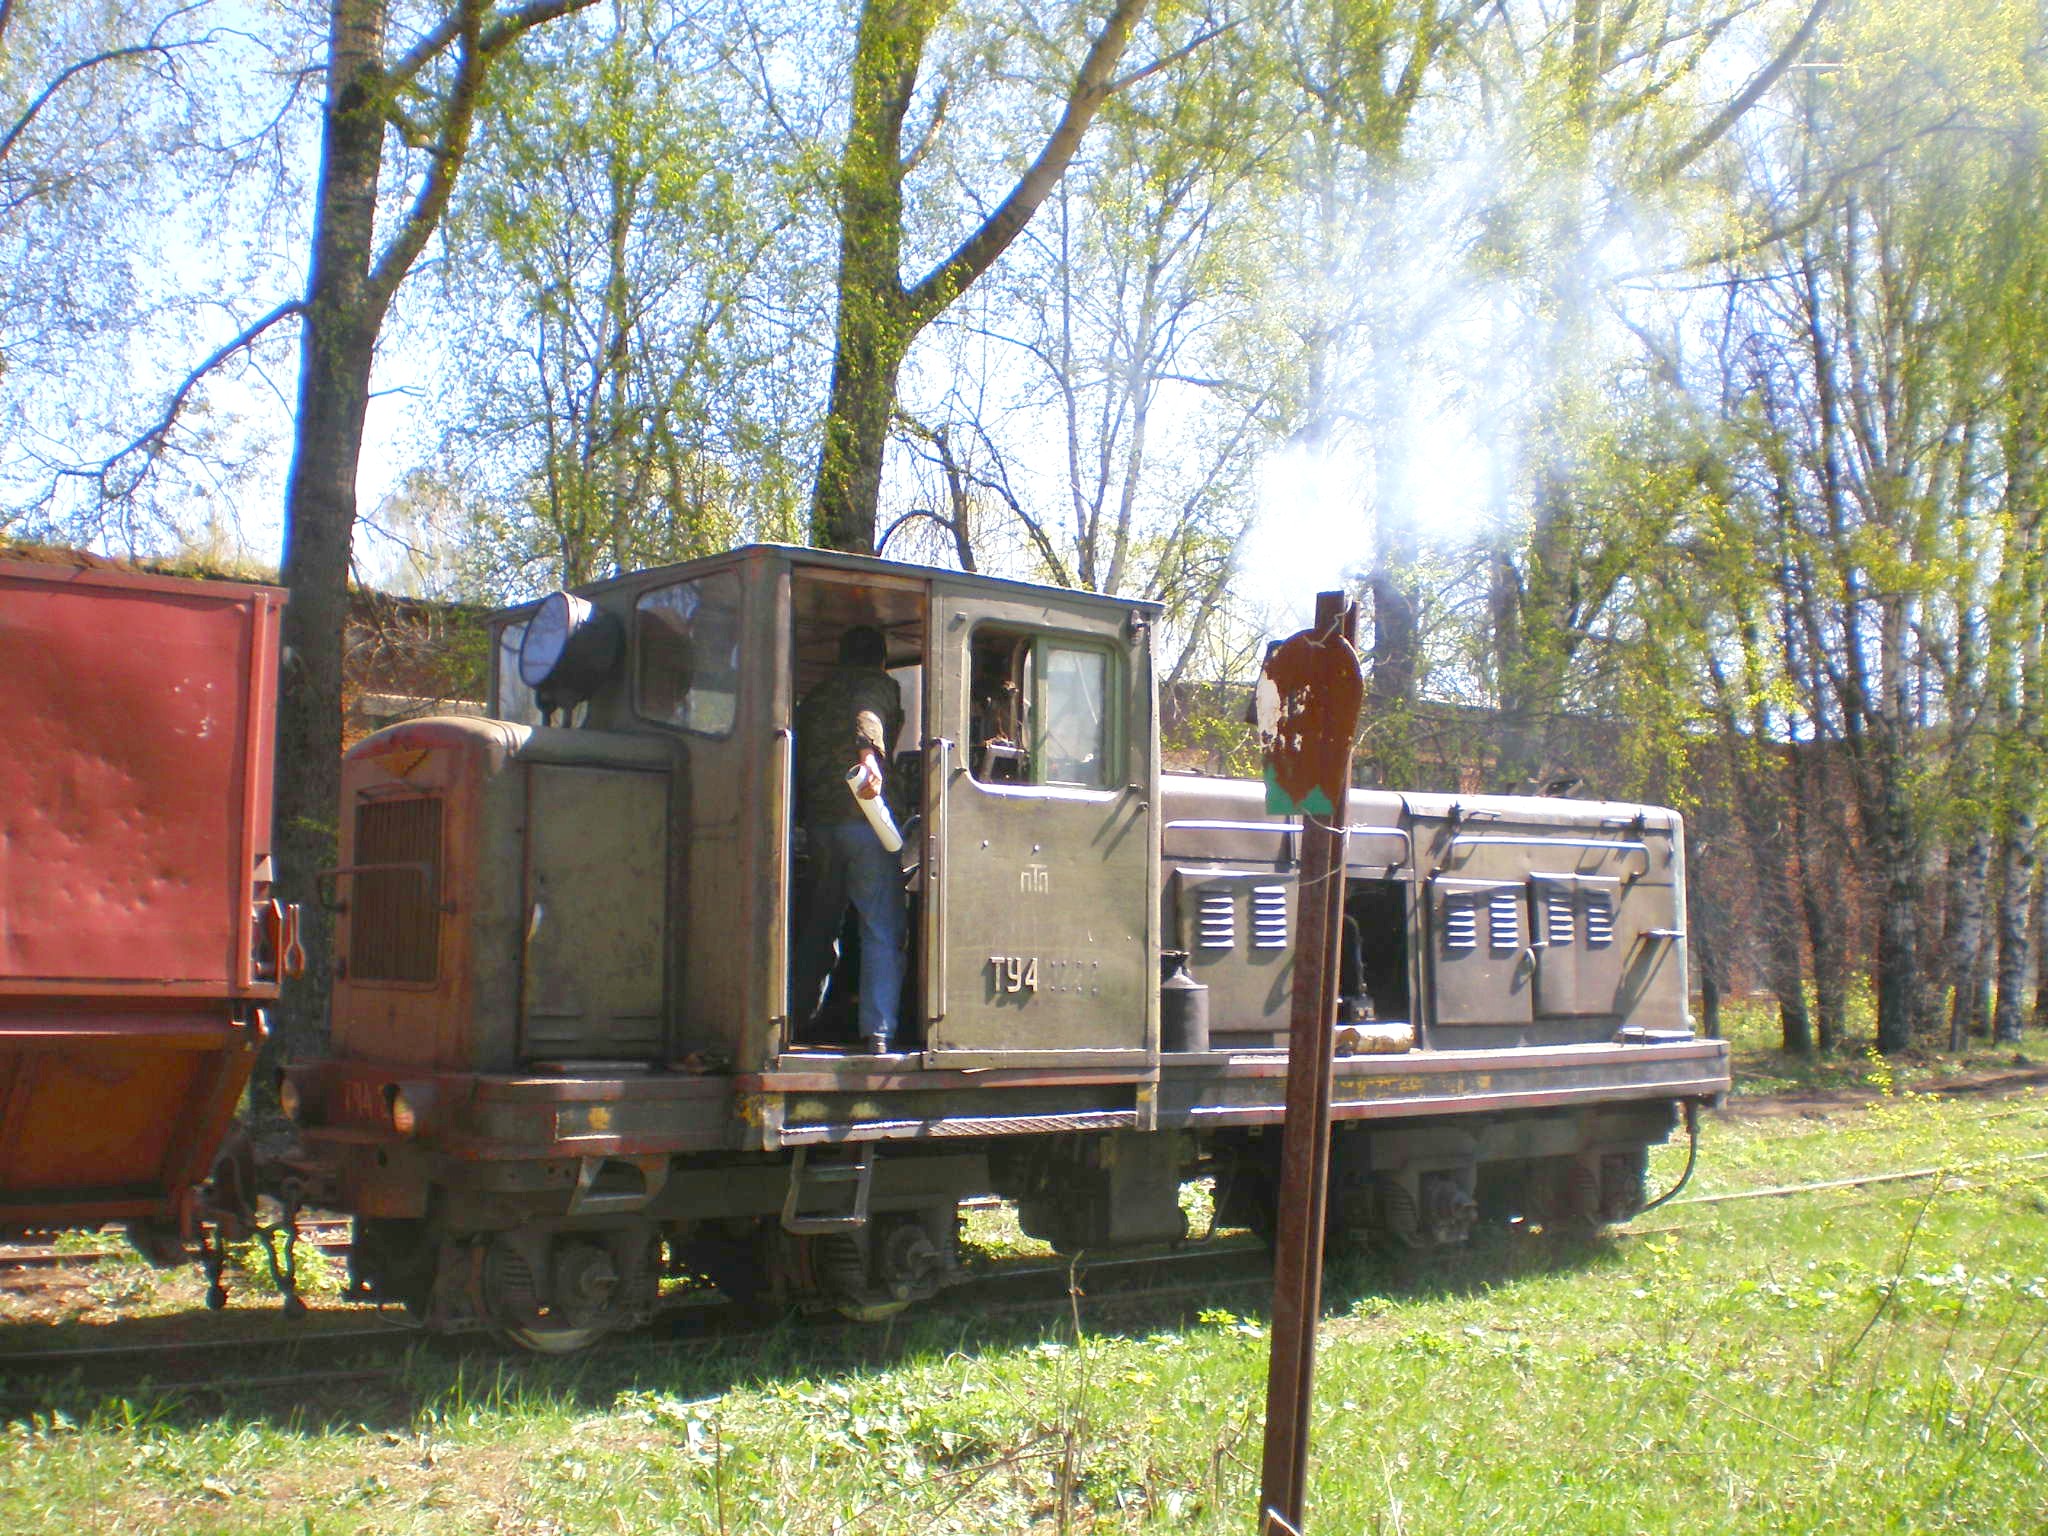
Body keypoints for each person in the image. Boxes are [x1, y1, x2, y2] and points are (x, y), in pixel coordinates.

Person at [792, 624, 906, 1054]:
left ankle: (797, 1021)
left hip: (820, 827)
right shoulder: (876, 685)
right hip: (865, 822)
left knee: (820, 927)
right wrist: (868, 756)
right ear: (879, 660)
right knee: (881, 926)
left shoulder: (816, 697)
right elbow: (868, 710)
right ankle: (877, 1032)